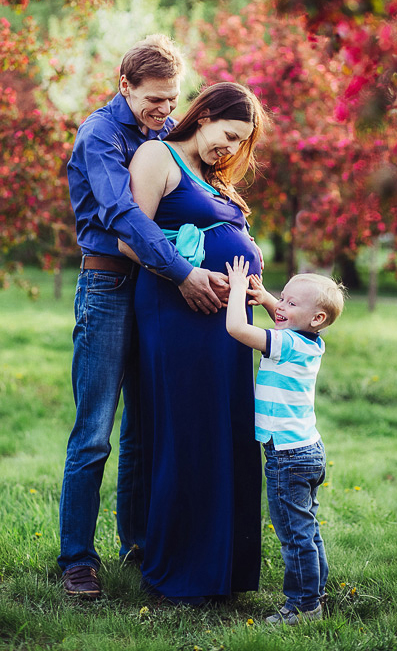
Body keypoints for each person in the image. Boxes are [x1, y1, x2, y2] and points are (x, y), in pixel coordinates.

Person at [58, 36, 228, 599]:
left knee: (142, 427)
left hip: (152, 289)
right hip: (108, 285)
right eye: (154, 99)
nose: (166, 109)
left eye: (173, 99)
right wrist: (182, 271)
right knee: (95, 431)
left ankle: (136, 542)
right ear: (125, 85)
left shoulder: (164, 132)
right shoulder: (100, 135)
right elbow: (123, 214)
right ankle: (77, 560)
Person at [118, 81, 267, 604]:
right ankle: (181, 571)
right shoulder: (158, 156)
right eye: (229, 133)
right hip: (179, 313)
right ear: (203, 116)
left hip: (228, 326)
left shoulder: (213, 177)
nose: (232, 148)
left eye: (241, 142)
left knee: (226, 434)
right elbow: (130, 237)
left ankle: (222, 570)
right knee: (189, 433)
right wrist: (187, 274)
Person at [225, 259, 345, 625]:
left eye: (291, 303)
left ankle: (303, 606)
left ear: (317, 318)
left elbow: (236, 328)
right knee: (307, 529)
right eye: (282, 298)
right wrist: (266, 298)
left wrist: (237, 288)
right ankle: (316, 593)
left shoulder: (287, 344)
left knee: (294, 536)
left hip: (287, 457)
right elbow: (285, 320)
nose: (281, 305)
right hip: (308, 450)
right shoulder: (311, 342)